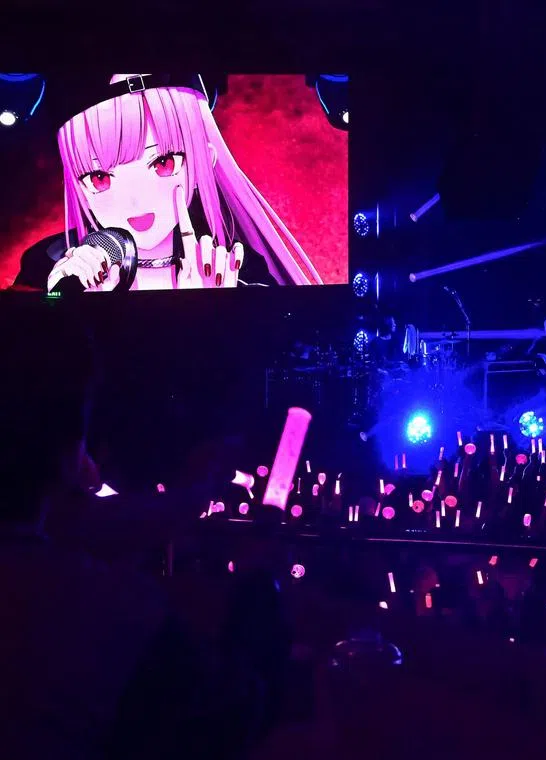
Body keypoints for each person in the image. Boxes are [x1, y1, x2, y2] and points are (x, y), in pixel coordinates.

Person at [0, 302, 274, 759]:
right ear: (71, 443)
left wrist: (195, 492)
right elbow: (240, 704)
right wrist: (255, 585)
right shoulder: (102, 607)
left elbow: (93, 524)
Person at [14, 73, 323, 292]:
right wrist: (62, 306)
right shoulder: (49, 263)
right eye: (100, 176)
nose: (134, 200)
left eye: (163, 162)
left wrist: (217, 315)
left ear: (205, 159)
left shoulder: (240, 267)